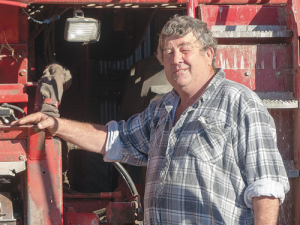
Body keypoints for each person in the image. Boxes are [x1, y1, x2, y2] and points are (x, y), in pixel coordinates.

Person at [12, 15, 289, 224]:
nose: (176, 58)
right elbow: (114, 139)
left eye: (184, 49)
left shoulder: (239, 102)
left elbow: (266, 185)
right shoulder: (162, 109)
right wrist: (57, 125)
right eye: (168, 53)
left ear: (209, 54)